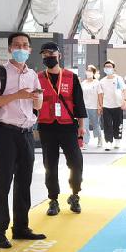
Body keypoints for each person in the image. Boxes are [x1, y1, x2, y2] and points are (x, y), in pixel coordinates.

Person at [0, 32, 45, 249]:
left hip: (26, 133)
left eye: (25, 45)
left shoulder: (33, 75)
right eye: (17, 45)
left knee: (24, 182)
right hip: (6, 133)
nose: (21, 49)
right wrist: (17, 95)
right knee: (3, 183)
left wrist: (36, 98)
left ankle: (21, 227)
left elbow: (37, 106)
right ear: (10, 48)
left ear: (30, 49)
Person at [36, 42, 85, 216]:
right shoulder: (38, 78)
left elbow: (79, 103)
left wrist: (81, 127)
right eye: (45, 54)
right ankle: (53, 200)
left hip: (68, 126)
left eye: (52, 53)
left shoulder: (71, 77)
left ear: (59, 56)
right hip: (46, 127)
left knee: (76, 162)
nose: (48, 56)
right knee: (50, 164)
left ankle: (75, 194)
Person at [98, 59, 126, 151]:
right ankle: (108, 142)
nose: (108, 68)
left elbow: (124, 90)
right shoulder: (102, 81)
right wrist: (100, 105)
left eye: (110, 66)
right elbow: (100, 94)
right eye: (106, 67)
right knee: (107, 125)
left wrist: (125, 102)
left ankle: (117, 140)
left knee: (118, 124)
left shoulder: (118, 79)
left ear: (114, 68)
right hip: (106, 106)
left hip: (117, 105)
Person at [81, 65, 104, 148]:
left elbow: (100, 95)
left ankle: (99, 138)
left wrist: (100, 106)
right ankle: (85, 142)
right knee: (85, 125)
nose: (88, 72)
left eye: (90, 71)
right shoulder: (83, 83)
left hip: (94, 107)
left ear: (93, 73)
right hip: (85, 107)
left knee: (96, 125)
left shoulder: (97, 83)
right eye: (87, 70)